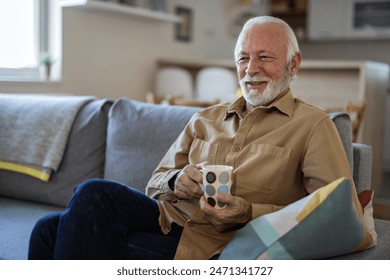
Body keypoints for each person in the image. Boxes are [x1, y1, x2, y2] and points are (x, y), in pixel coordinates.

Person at [28, 16, 352, 260]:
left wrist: (249, 212)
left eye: (265, 57)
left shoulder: (313, 126)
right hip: (168, 220)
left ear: (293, 64)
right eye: (243, 58)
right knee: (69, 212)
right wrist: (175, 181)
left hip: (219, 245)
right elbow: (154, 183)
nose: (251, 68)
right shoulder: (205, 118)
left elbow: (337, 215)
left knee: (61, 225)